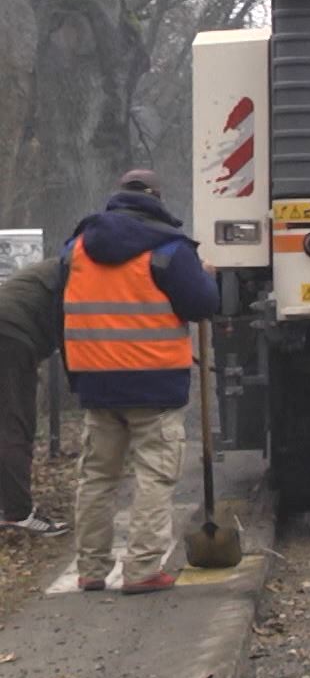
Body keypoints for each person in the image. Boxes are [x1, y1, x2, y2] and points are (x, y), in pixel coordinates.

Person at [63, 170, 218, 594]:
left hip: (96, 381)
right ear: (156, 198)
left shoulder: (77, 246)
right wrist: (205, 274)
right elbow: (204, 304)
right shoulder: (169, 248)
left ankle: (92, 568)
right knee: (154, 474)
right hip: (154, 384)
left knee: (97, 476)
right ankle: (143, 568)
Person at [0, 256, 70, 535]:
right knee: (15, 425)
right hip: (11, 336)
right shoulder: (77, 273)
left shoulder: (59, 267)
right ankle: (18, 514)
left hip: (10, 330)